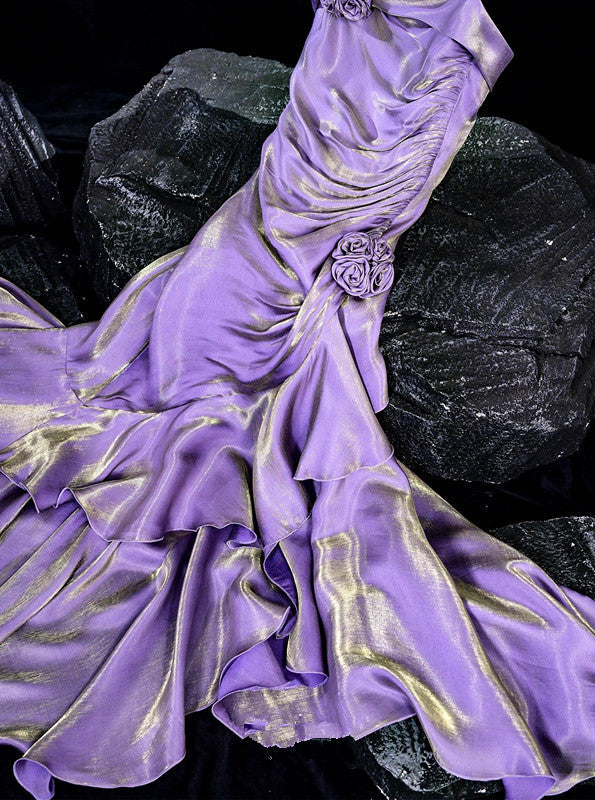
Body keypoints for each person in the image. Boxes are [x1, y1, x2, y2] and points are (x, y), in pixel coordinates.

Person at [0, 2, 593, 799]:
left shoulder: (377, 139)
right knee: (198, 371)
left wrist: (354, 291)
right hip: (259, 260)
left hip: (290, 245)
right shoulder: (347, 132)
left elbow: (373, 193)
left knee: (211, 396)